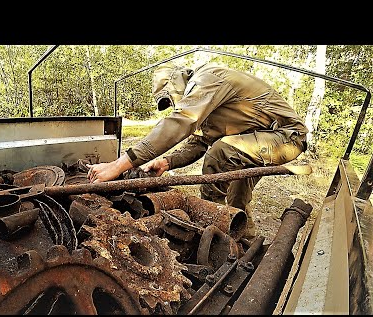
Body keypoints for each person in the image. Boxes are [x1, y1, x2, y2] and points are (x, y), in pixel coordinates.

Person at [86, 62, 308, 238]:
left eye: (170, 99)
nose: (174, 106)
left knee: (221, 153)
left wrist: (118, 165)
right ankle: (245, 239)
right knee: (237, 197)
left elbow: (181, 122)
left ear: (176, 83)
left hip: (286, 137)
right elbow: (200, 142)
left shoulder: (208, 79)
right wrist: (167, 162)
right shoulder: (207, 96)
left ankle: (214, 231)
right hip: (258, 139)